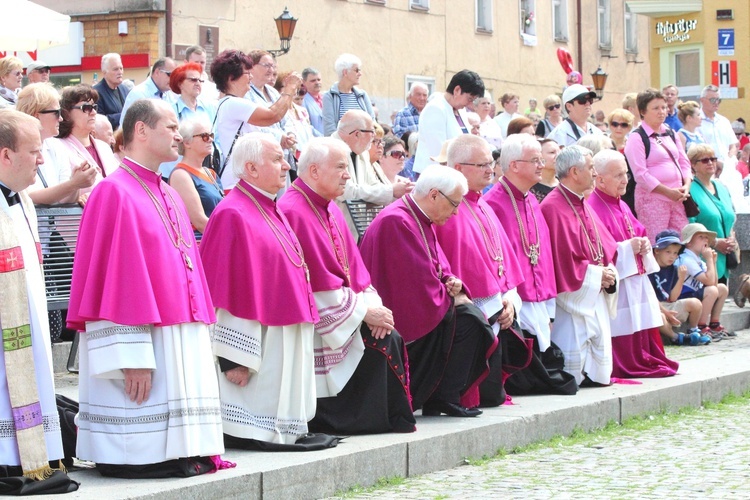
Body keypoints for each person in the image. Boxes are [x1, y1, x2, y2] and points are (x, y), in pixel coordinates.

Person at [66, 99, 227, 478]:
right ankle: (133, 456)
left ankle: (182, 450)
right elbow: (116, 281)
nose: (179, 135)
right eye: (171, 127)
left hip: (175, 326)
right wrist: (131, 356)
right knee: (139, 435)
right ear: (141, 130)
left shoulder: (169, 192)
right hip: (141, 335)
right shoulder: (113, 192)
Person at [278, 137, 416, 433]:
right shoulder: (293, 211)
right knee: (382, 341)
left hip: (345, 307)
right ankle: (348, 419)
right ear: (314, 171)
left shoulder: (330, 208)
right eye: (340, 167)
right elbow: (313, 285)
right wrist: (365, 314)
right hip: (319, 321)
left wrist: (374, 308)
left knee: (389, 334)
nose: (348, 175)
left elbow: (356, 274)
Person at [199, 133, 322, 448]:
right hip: (256, 333)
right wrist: (232, 358)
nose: (286, 166)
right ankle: (253, 431)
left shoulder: (269, 205)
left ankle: (286, 429)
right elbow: (226, 290)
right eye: (277, 159)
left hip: (281, 322)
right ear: (251, 168)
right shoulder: (232, 213)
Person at [360, 165, 496, 417]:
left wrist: (452, 281)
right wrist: (453, 296)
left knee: (472, 317)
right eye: (454, 204)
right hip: (397, 317)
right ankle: (440, 396)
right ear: (434, 195)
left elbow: (438, 267)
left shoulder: (419, 217)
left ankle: (443, 396)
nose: (456, 213)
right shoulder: (397, 221)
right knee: (470, 321)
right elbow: (413, 289)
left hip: (423, 303)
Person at [0, 109, 77, 494]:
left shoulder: (23, 201)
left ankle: (33, 460)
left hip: (26, 329)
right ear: (5, 155)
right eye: (34, 151)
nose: (42, 160)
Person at [436, 134, 531, 404]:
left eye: (491, 163)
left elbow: (502, 264)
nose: (490, 170)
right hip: (469, 317)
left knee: (493, 395)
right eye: (481, 165)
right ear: (457, 169)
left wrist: (509, 299)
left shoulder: (483, 204)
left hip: (496, 311)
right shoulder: (449, 211)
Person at [588, 149, 678, 378]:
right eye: (618, 175)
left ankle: (645, 356)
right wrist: (629, 247)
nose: (625, 180)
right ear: (599, 179)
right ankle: (628, 362)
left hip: (635, 276)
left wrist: (644, 244)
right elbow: (599, 249)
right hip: (618, 282)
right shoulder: (592, 206)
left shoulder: (621, 203)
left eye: (626, 173)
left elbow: (637, 230)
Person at [541, 145, 618, 386]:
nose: (595, 173)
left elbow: (604, 246)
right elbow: (562, 260)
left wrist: (608, 272)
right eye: (591, 168)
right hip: (575, 294)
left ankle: (593, 375)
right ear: (574, 172)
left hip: (593, 287)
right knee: (574, 345)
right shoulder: (553, 206)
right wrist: (598, 275)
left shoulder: (582, 202)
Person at [209, 49, 301, 190]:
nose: (250, 78)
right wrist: (290, 88)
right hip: (237, 183)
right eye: (247, 73)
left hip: (246, 180)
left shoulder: (232, 103)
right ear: (232, 77)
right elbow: (272, 115)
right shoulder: (232, 103)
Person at [623, 88, 692, 242]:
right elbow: (640, 175)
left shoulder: (670, 132)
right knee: (657, 245)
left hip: (677, 199)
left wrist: (686, 185)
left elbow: (683, 161)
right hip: (652, 201)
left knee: (682, 242)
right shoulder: (637, 137)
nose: (662, 112)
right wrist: (667, 192)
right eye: (656, 108)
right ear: (642, 111)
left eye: (664, 107)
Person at [332, 110, 412, 236]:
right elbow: (345, 191)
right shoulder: (331, 150)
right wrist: (391, 191)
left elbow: (373, 184)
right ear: (357, 134)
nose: (374, 136)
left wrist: (399, 189)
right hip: (337, 227)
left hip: (358, 230)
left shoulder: (362, 152)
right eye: (372, 132)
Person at [18, 83, 96, 206]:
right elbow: (28, 196)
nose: (61, 118)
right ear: (36, 115)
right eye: (56, 113)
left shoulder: (56, 146)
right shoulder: (15, 147)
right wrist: (73, 184)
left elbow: (65, 198)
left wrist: (75, 184)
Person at [54, 85, 119, 200]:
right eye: (86, 108)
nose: (93, 112)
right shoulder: (58, 147)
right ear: (66, 113)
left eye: (94, 107)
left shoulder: (104, 147)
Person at [413, 70, 485, 176]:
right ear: (457, 90)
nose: (470, 104)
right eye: (469, 98)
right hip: (435, 175)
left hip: (456, 173)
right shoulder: (435, 108)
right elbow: (439, 152)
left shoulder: (461, 110)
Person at [686, 144, 737, 283]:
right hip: (701, 261)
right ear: (693, 165)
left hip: (724, 259)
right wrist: (715, 242)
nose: (710, 163)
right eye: (704, 160)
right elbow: (690, 226)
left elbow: (730, 218)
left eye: (713, 159)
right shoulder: (689, 189)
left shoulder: (722, 187)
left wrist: (731, 238)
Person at [649, 230, 709, 346]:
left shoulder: (674, 269)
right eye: (668, 252)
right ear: (657, 251)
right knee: (658, 316)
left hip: (668, 305)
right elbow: (648, 296)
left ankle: (693, 330)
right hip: (653, 307)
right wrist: (666, 313)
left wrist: (681, 278)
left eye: (675, 253)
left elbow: (673, 297)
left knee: (695, 303)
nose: (672, 256)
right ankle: (676, 337)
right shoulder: (649, 268)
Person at [675, 223, 732, 341]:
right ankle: (701, 326)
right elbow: (709, 283)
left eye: (706, 237)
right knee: (711, 291)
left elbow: (714, 283)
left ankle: (714, 324)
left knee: (722, 288)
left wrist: (713, 262)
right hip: (683, 295)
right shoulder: (686, 258)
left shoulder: (698, 259)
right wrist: (710, 260)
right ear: (689, 242)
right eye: (700, 237)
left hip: (694, 293)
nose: (705, 240)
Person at [169, 117, 224, 238]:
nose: (210, 140)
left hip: (216, 237)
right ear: (187, 142)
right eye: (204, 136)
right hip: (201, 243)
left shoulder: (210, 173)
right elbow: (199, 221)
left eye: (211, 135)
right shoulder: (181, 175)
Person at [322, 54, 375, 136]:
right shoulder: (329, 96)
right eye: (356, 70)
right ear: (345, 72)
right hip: (341, 147)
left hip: (364, 146)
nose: (360, 74)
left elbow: (372, 124)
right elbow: (329, 130)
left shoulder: (362, 95)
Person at [119, 57, 176, 127]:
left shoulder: (169, 95)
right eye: (170, 75)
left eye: (175, 76)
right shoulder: (139, 94)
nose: (173, 79)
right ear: (157, 72)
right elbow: (128, 128)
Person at [698, 85, 738, 168]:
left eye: (718, 100)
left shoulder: (724, 121)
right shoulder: (696, 121)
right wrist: (718, 164)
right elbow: (698, 150)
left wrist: (730, 159)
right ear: (702, 100)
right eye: (713, 100)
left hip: (727, 168)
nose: (716, 103)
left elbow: (733, 145)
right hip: (708, 168)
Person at [93, 53, 130, 130]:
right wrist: (125, 115)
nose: (120, 72)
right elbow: (98, 120)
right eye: (115, 69)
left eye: (121, 68)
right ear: (104, 73)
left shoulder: (125, 89)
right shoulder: (96, 92)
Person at [529, 138, 560, 203]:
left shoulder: (565, 184)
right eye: (552, 152)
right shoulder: (529, 188)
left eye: (560, 152)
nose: (558, 156)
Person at [301, 67, 324, 136]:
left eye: (319, 80)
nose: (317, 83)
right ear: (304, 82)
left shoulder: (326, 97)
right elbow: (306, 125)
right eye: (313, 81)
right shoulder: (302, 101)